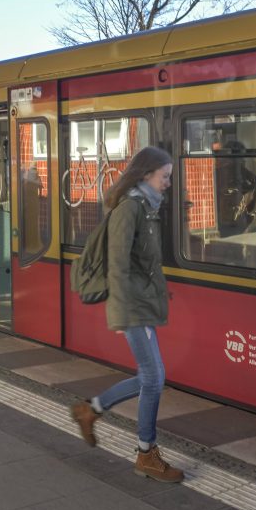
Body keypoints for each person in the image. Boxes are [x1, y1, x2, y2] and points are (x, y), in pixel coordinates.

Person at [70, 146, 184, 483]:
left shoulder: (147, 208)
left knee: (152, 377)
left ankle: (90, 411)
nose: (168, 183)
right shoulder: (129, 210)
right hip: (131, 306)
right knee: (154, 378)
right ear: (147, 174)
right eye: (165, 176)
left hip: (140, 304)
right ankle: (145, 452)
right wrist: (120, 315)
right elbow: (117, 265)